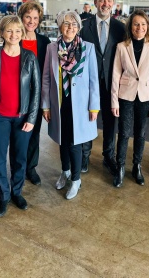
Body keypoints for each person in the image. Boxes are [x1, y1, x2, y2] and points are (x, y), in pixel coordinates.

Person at [0, 15, 41, 217]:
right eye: (9, 30)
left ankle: (16, 192)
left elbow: (36, 91)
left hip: (22, 117)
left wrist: (32, 119)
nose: (13, 34)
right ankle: (4, 196)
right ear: (2, 33)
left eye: (17, 30)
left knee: (19, 158)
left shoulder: (30, 57)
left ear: (22, 33)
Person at [41, 10, 100, 200]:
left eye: (74, 24)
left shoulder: (87, 48)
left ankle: (76, 179)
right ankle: (65, 171)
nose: (70, 28)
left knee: (75, 144)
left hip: (80, 106)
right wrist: (45, 106)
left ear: (78, 28)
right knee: (62, 141)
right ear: (60, 27)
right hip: (59, 103)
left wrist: (94, 106)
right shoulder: (52, 48)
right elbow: (47, 79)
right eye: (66, 24)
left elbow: (93, 80)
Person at [111, 10, 149, 188]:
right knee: (124, 133)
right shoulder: (121, 46)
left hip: (146, 96)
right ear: (130, 27)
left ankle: (137, 166)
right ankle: (120, 168)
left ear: (147, 26)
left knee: (140, 134)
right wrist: (114, 101)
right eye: (135, 24)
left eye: (142, 24)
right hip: (125, 95)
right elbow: (116, 75)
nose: (139, 28)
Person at [80, 0, 125, 174]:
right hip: (88, 84)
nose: (105, 4)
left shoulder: (121, 28)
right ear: (95, 2)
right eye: (102, 0)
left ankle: (108, 156)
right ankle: (84, 156)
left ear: (113, 3)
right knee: (88, 120)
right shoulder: (83, 26)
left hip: (111, 84)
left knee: (110, 122)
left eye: (109, 0)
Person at [18, 1, 51, 186]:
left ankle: (31, 167)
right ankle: (19, 168)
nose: (31, 21)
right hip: (17, 95)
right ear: (22, 17)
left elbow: (47, 72)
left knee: (34, 132)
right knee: (18, 134)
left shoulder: (44, 42)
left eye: (35, 18)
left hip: (36, 96)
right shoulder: (14, 38)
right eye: (28, 17)